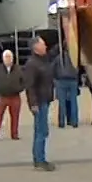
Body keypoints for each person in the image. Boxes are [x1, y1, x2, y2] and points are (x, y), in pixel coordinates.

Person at [21, 37, 58, 172]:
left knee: (42, 131)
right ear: (36, 47)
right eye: (43, 44)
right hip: (39, 102)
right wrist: (33, 104)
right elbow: (29, 86)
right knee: (41, 131)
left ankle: (39, 158)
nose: (46, 46)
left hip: (45, 99)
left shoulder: (43, 60)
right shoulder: (32, 64)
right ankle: (39, 160)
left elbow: (55, 52)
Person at [0, 48, 23, 140]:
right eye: (6, 57)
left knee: (15, 115)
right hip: (2, 96)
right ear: (3, 58)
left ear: (12, 58)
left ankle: (14, 134)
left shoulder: (18, 68)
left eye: (9, 57)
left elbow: (24, 81)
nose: (8, 59)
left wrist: (19, 88)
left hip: (15, 96)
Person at [54, 51, 82, 129]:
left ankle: (62, 122)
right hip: (73, 80)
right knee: (74, 102)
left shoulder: (59, 57)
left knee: (62, 102)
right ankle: (74, 122)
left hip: (61, 80)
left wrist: (55, 78)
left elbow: (53, 68)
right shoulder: (75, 57)